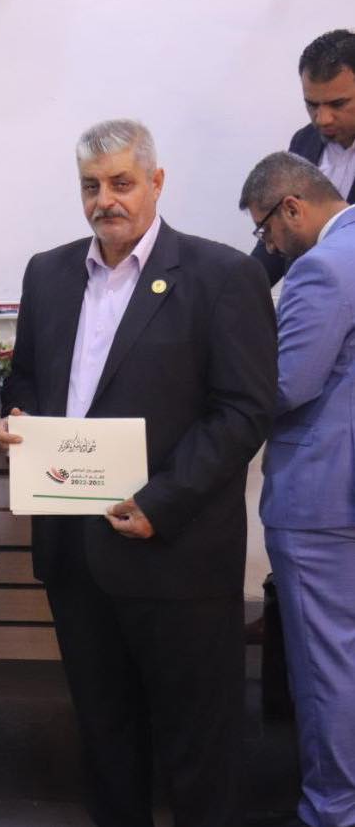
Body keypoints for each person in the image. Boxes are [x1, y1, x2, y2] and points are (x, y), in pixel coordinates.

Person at [0, 120, 276, 827]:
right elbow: (26, 377)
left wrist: (162, 501)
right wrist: (15, 417)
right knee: (105, 738)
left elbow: (243, 410)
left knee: (198, 748)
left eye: (122, 183)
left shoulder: (222, 276)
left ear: (156, 182)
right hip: (75, 554)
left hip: (176, 553)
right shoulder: (48, 274)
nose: (105, 200)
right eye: (91, 186)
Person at [241, 152, 355, 827]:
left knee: (325, 664)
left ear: (291, 207)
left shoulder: (322, 266)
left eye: (265, 229)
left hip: (322, 498)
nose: (269, 246)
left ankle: (332, 809)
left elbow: (286, 385)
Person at [254, 29, 355, 286]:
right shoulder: (304, 141)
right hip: (306, 296)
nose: (322, 119)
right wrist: (238, 288)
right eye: (312, 104)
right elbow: (280, 232)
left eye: (338, 104)